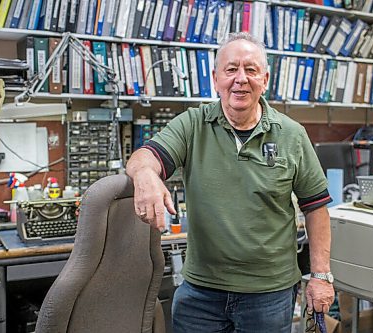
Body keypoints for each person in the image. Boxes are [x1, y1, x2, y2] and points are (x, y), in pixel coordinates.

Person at [126, 32, 335, 332]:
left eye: (250, 70)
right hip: (200, 294)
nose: (240, 79)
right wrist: (145, 174)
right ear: (215, 79)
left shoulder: (292, 134)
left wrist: (320, 276)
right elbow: (144, 157)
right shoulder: (192, 124)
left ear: (265, 79)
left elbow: (316, 208)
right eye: (231, 69)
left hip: (269, 296)